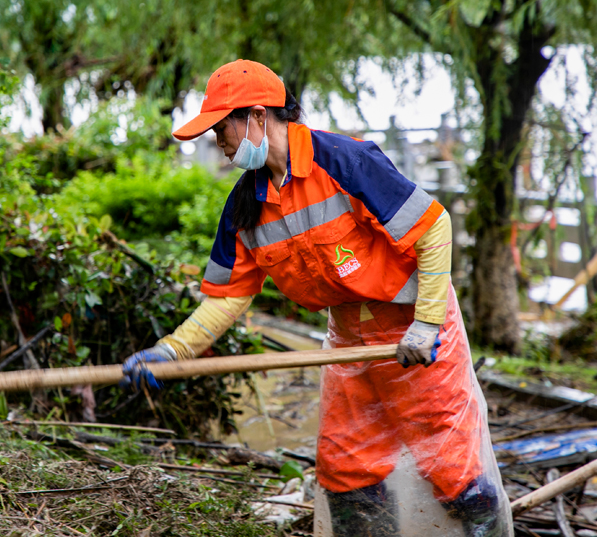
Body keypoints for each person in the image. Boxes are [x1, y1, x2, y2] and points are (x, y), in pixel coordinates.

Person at [121, 59, 512, 537]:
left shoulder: (346, 161)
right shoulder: (245, 206)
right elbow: (228, 297)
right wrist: (170, 351)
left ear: (259, 117)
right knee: (347, 469)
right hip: (349, 342)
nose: (218, 145)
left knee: (451, 465)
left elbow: (433, 227)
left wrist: (427, 323)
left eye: (221, 130)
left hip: (414, 332)